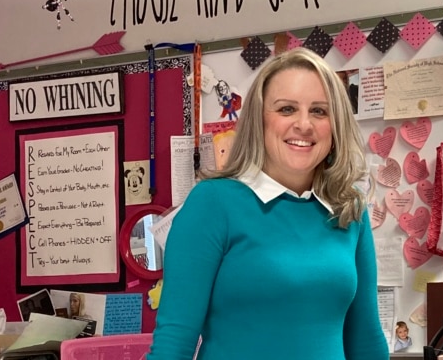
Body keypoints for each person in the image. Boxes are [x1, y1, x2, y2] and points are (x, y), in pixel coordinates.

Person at [148, 47, 388, 360]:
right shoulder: (213, 203)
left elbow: (366, 341)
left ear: (335, 125)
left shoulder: (350, 209)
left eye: (319, 111)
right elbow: (174, 344)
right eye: (286, 109)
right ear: (259, 121)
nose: (304, 124)